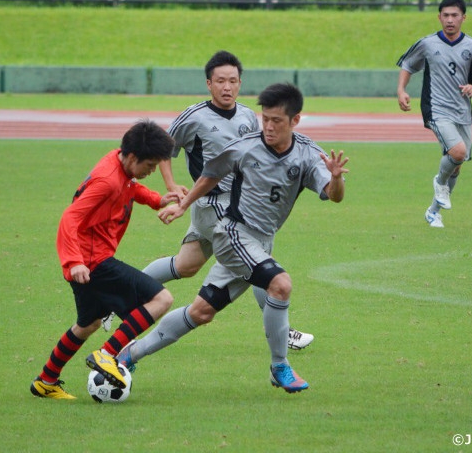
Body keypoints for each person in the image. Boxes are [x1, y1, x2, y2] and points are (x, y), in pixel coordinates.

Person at [116, 83, 349, 393]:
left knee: (201, 312)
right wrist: (183, 204)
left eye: (276, 121)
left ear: (295, 121)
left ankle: (127, 354)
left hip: (260, 243)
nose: (267, 126)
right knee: (280, 285)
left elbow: (334, 197)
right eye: (264, 118)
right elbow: (210, 174)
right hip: (233, 235)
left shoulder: (308, 154)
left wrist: (335, 179)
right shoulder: (245, 146)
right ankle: (280, 366)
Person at [104, 50, 315, 350]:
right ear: (209, 84)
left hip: (237, 200)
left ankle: (120, 297)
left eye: (232, 81)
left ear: (240, 83)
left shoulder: (247, 116)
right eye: (220, 81)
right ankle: (286, 332)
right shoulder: (195, 117)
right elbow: (165, 149)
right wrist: (172, 185)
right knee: (258, 259)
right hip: (214, 203)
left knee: (186, 265)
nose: (226, 87)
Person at [30, 120, 180, 400]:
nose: (151, 172)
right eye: (149, 166)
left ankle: (46, 381)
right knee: (161, 300)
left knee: (88, 324)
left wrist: (158, 200)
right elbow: (70, 217)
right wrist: (73, 261)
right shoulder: (107, 180)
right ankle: (107, 353)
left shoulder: (118, 161)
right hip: (92, 262)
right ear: (133, 157)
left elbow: (130, 188)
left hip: (90, 261)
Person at [396, 0, 472, 228]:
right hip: (436, 108)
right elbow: (407, 64)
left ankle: (434, 212)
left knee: (458, 162)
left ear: (464, 18)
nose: (450, 20)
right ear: (439, 17)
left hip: (462, 112)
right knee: (457, 152)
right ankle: (439, 182)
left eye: (455, 15)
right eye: (445, 15)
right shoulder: (427, 43)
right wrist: (401, 89)